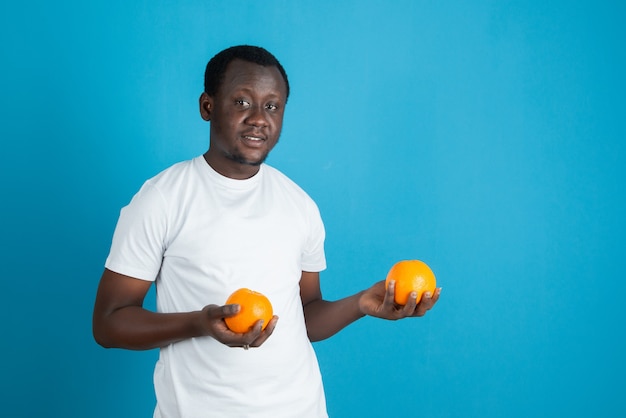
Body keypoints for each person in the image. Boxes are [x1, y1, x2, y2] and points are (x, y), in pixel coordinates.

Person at [93, 45, 441, 418]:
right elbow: (109, 322)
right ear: (207, 106)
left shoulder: (299, 204)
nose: (259, 118)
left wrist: (361, 304)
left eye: (272, 106)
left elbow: (305, 316)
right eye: (242, 102)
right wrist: (200, 323)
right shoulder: (161, 200)